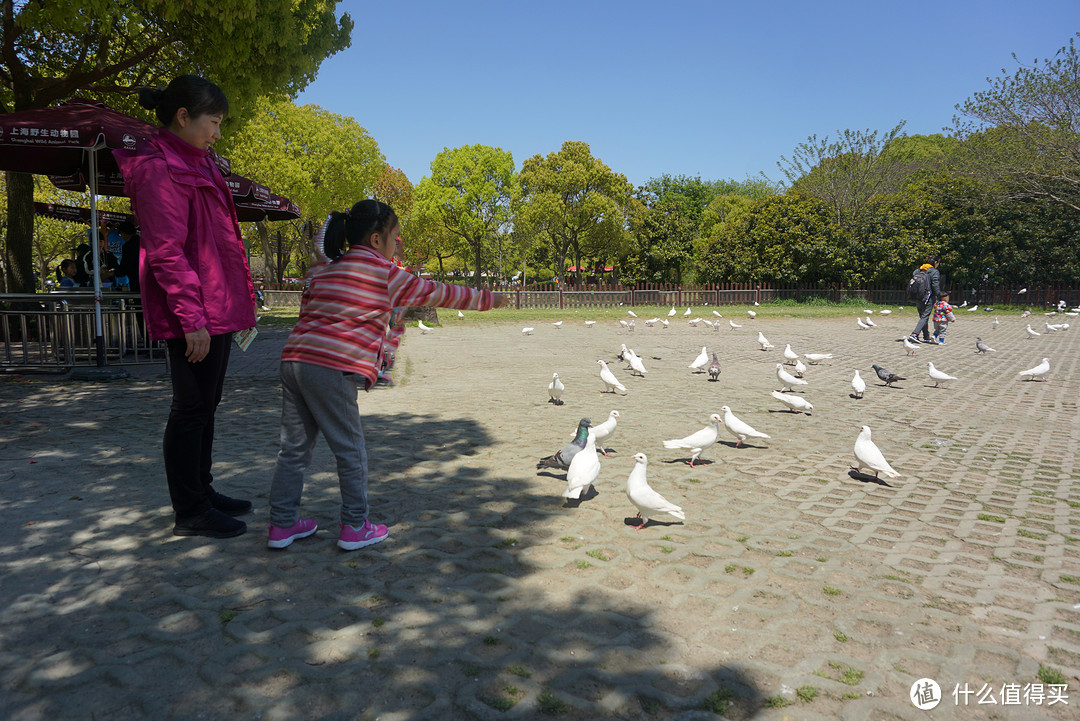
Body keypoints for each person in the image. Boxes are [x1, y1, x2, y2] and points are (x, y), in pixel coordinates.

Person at [266, 200, 509, 551]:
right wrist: (492, 299)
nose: (399, 243)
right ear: (377, 239)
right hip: (332, 366)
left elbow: (309, 311)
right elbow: (443, 293)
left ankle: (282, 524)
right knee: (350, 450)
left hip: (294, 360)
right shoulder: (385, 274)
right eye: (396, 236)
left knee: (293, 450)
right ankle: (354, 526)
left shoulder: (322, 271)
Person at [114, 74, 257, 539]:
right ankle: (190, 510)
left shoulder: (201, 161)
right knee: (191, 407)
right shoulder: (158, 166)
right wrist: (191, 318)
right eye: (213, 122)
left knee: (207, 405)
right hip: (192, 309)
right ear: (183, 116)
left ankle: (203, 489)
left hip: (216, 301)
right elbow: (166, 250)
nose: (217, 132)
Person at [909, 254, 942, 343]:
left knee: (922, 316)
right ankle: (914, 334)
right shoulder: (934, 272)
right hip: (928, 297)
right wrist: (938, 296)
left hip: (917, 296)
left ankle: (926, 336)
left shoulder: (917, 270)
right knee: (924, 316)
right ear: (935, 262)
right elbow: (935, 285)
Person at [116, 220, 141, 292]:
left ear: (124, 233)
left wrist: (114, 272)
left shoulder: (128, 246)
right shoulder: (143, 242)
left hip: (136, 281)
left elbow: (125, 267)